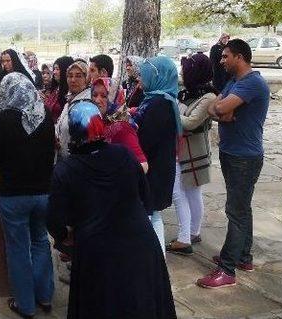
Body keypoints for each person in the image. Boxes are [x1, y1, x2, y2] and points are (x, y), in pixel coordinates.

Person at [47, 102, 176, 319]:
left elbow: (53, 219)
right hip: (139, 243)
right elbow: (145, 197)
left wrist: (64, 237)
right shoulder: (124, 155)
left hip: (97, 251)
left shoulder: (65, 170)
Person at [198, 39, 269, 288]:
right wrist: (222, 112)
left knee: (235, 212)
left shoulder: (252, 83)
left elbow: (220, 107)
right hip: (231, 153)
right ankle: (243, 256)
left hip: (244, 157)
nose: (221, 59)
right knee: (242, 208)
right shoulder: (234, 82)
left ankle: (227, 270)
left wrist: (221, 110)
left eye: (226, 56)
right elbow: (214, 108)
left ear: (239, 57)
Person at [0, 72, 55, 319]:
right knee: (40, 242)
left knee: (18, 249)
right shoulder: (46, 115)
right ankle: (45, 297)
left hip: (13, 195)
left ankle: (25, 305)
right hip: (43, 193)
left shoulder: (4, 119)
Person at [166, 53, 218, 256]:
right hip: (182, 150)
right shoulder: (187, 92)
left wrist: (171, 108)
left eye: (186, 70)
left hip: (192, 153)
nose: (182, 74)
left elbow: (190, 122)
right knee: (191, 193)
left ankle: (184, 238)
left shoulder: (209, 97)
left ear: (195, 73)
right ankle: (193, 232)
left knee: (178, 193)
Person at [133, 56, 181, 255]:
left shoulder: (159, 104)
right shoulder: (158, 100)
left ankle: (155, 263)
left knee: (151, 218)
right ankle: (157, 262)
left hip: (154, 171)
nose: (140, 79)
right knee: (154, 217)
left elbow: (147, 140)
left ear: (156, 76)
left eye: (144, 75)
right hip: (159, 168)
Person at [91, 77, 148, 172]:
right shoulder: (100, 120)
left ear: (115, 97)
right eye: (94, 95)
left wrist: (112, 177)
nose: (97, 100)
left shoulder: (121, 126)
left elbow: (143, 166)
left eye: (104, 96)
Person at [55, 59, 91, 159]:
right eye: (70, 76)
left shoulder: (87, 103)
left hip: (77, 162)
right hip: (64, 159)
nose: (73, 80)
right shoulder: (70, 99)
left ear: (87, 78)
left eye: (78, 76)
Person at [50, 56, 76, 121]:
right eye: (54, 69)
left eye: (57, 69)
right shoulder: (55, 89)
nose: (54, 72)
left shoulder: (71, 93)